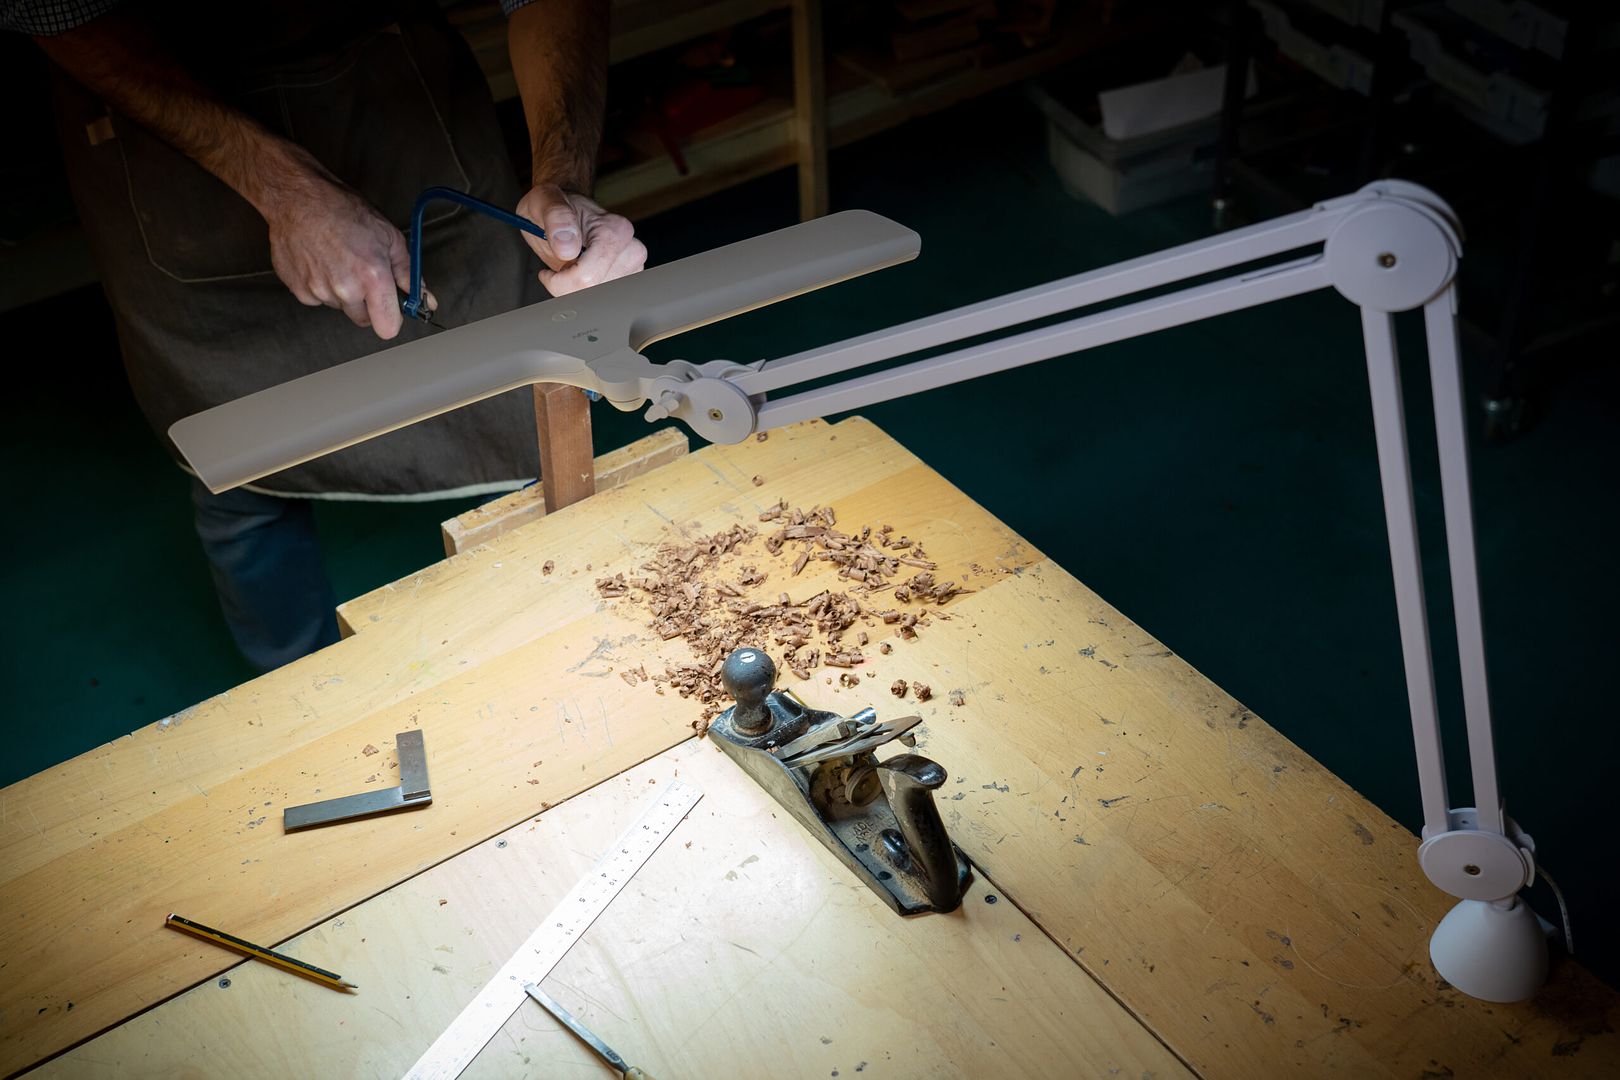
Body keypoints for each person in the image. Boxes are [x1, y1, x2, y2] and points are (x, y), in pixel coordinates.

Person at [7, 0, 646, 671]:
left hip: (387, 94)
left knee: (518, 401)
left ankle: (572, 645)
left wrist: (564, 181)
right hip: (170, 147)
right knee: (240, 458)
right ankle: (300, 691)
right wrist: (285, 191)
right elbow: (58, 15)